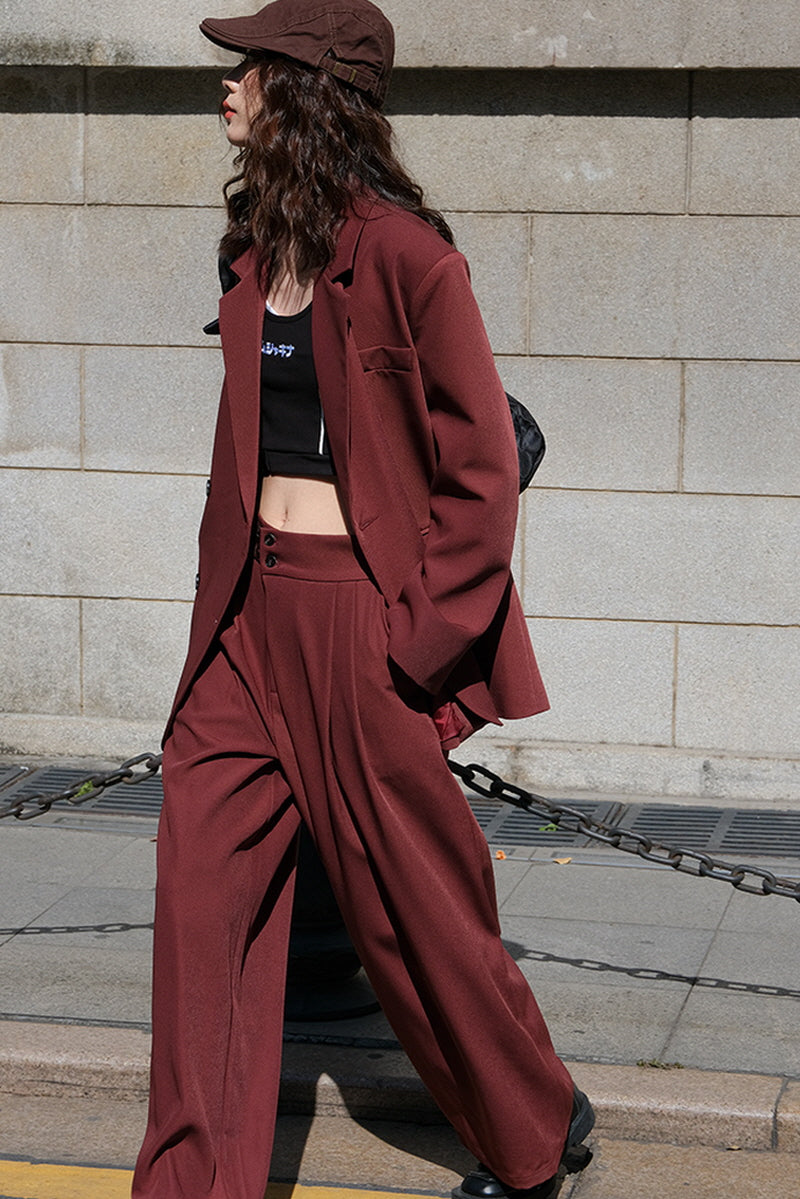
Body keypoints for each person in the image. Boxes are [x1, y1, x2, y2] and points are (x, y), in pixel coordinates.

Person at [131, 2, 594, 1196]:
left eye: (245, 72)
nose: (224, 91)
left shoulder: (407, 259)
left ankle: (533, 1136)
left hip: (360, 626)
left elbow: (481, 465)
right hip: (245, 623)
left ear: (306, 92)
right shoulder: (248, 250)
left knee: (415, 917)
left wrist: (417, 642)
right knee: (200, 913)